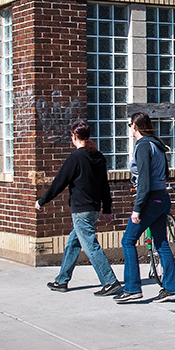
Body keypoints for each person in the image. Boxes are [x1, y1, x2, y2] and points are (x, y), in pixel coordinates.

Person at [36, 122, 122, 295]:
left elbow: (59, 182)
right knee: (73, 243)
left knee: (90, 246)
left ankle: (109, 281)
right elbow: (105, 185)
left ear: (74, 137)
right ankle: (62, 280)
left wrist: (42, 201)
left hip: (81, 210)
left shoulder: (75, 158)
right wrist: (107, 209)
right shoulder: (98, 157)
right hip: (93, 209)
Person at [121, 112, 175, 301]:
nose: (130, 128)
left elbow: (144, 180)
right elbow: (164, 173)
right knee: (162, 244)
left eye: (130, 124)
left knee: (128, 241)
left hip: (150, 201)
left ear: (135, 126)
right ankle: (171, 288)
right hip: (162, 198)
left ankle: (132, 289)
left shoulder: (143, 146)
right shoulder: (158, 145)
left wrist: (137, 208)